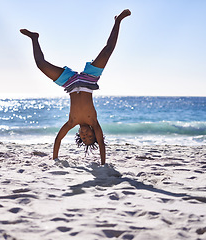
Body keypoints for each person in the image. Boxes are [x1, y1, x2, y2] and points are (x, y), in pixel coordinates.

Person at [20, 9, 131, 165]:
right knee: (107, 51)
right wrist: (103, 163)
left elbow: (58, 138)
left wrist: (55, 158)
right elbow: (101, 142)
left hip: (70, 82)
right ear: (94, 133)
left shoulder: (71, 122)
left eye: (83, 137)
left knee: (41, 65)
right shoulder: (94, 122)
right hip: (89, 79)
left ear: (78, 134)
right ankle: (117, 21)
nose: (86, 135)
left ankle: (34, 38)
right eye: (89, 137)